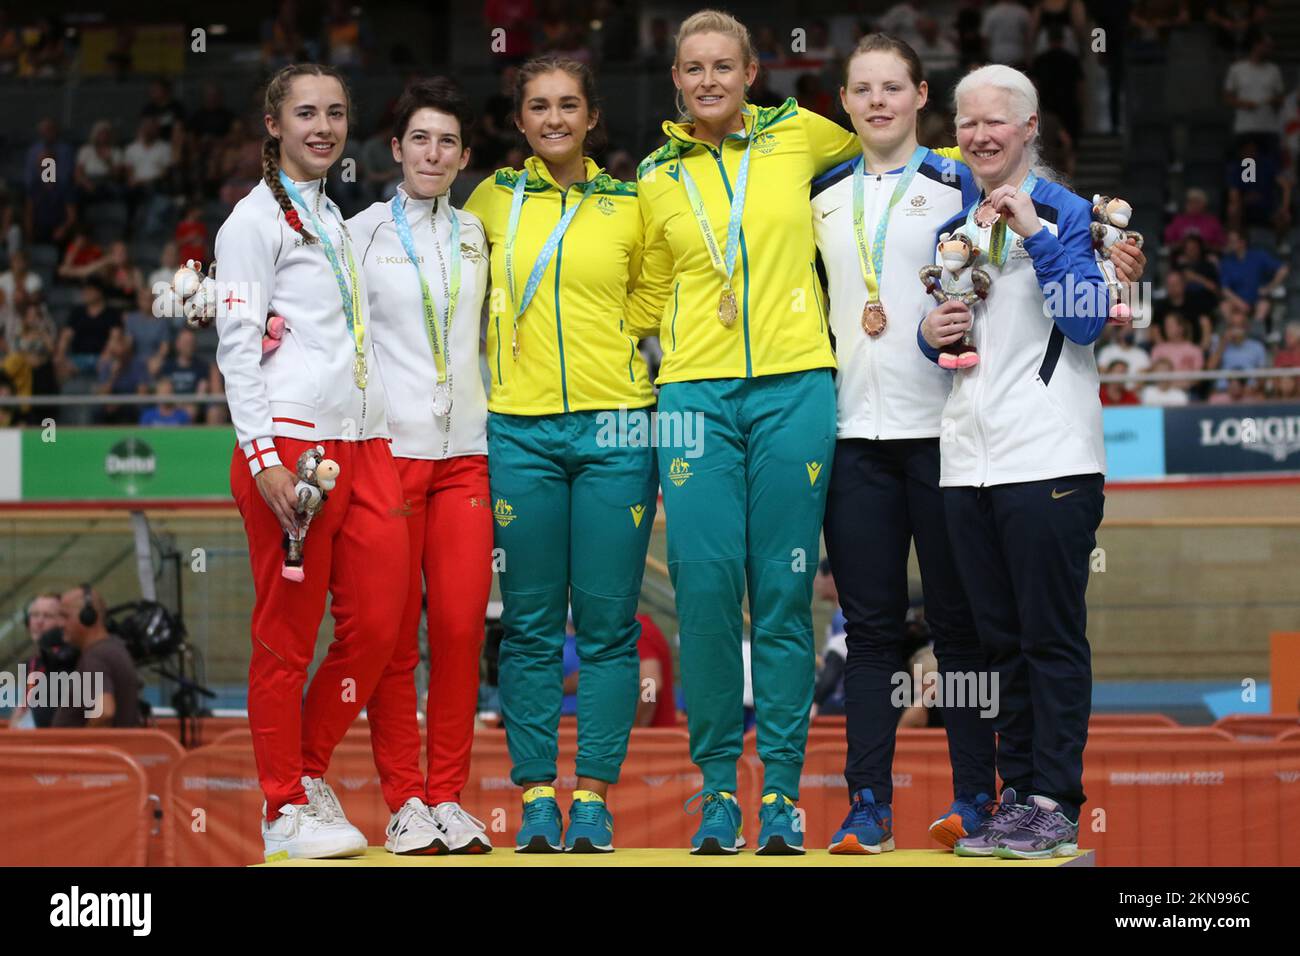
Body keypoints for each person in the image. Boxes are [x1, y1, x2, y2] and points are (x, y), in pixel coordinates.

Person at [633, 9, 865, 856]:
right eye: (692, 69)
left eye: (722, 66)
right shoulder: (655, 175)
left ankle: (786, 797)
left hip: (796, 385)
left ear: (751, 70)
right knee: (702, 593)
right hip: (692, 395)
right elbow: (639, 296)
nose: (707, 81)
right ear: (676, 82)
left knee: (781, 595)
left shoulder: (801, 136)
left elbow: (892, 158)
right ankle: (720, 793)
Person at [464, 55, 659, 854]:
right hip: (521, 428)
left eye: (567, 105)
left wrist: (615, 339)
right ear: (520, 121)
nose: (552, 118)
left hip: (619, 428)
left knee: (611, 628)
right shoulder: (488, 200)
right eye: (538, 106)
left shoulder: (630, 204)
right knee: (533, 628)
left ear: (590, 117)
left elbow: (658, 290)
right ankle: (538, 795)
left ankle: (595, 800)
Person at [214, 62, 407, 861]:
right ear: (274, 124)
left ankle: (307, 768)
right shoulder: (250, 223)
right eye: (305, 114)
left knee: (382, 623)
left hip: (361, 447)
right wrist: (264, 458)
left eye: (334, 113)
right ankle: (281, 805)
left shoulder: (331, 217)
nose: (322, 127)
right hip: (291, 449)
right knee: (285, 640)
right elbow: (236, 345)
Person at [919, 63, 1110, 859]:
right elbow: (952, 342)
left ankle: (1055, 803)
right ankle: (1014, 799)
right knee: (999, 643)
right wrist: (929, 337)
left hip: (1050, 459)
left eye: (995, 122)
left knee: (1049, 638)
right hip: (968, 464)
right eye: (967, 123)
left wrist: (1036, 230)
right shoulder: (955, 228)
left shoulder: (1074, 215)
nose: (979, 135)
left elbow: (1089, 319)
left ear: (1030, 128)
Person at [346, 78, 494, 855]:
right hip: (388, 455)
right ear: (395, 148)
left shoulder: (477, 234)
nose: (433, 153)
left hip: (466, 455)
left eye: (448, 143)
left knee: (464, 627)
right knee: (396, 637)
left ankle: (449, 795)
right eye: (420, 139)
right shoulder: (359, 232)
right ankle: (404, 800)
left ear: (464, 156)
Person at [50, 586, 142, 729]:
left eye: (65, 616)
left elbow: (104, 711)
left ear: (88, 617)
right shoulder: (111, 649)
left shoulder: (96, 656)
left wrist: (83, 748)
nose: (60, 624)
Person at [7, 593, 62, 729]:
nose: (39, 621)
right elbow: (19, 714)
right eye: (35, 615)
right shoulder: (31, 664)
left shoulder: (66, 663)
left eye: (48, 616)